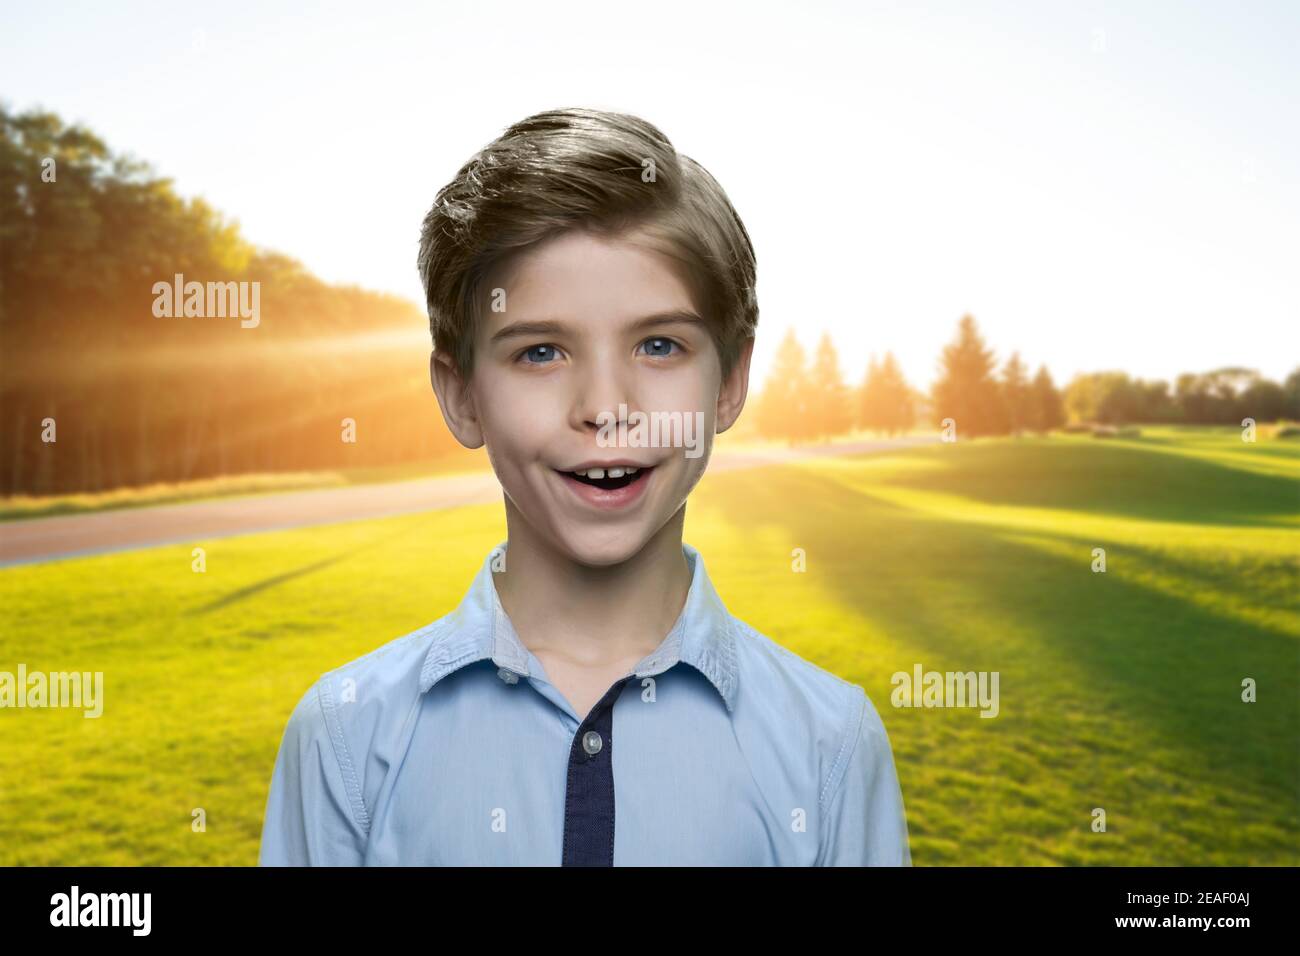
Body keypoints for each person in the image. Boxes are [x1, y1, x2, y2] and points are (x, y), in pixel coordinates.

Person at [258, 107, 911, 866]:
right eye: (540, 352)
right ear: (461, 394)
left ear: (730, 381)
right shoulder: (346, 738)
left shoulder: (830, 743)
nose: (605, 409)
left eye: (660, 345)